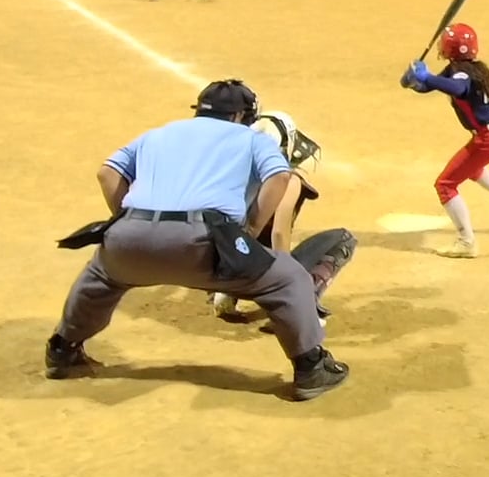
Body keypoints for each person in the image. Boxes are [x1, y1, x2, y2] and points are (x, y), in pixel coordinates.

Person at [44, 80, 349, 401]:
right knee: (288, 278)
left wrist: (131, 221)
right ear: (240, 116)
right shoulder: (251, 139)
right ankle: (311, 367)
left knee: (100, 276)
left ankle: (62, 350)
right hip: (202, 244)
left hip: (128, 240)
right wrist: (250, 228)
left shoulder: (157, 134)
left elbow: (107, 173)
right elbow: (279, 176)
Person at [211, 111, 355, 326]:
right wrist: (284, 284)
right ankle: (293, 307)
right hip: (255, 277)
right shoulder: (287, 180)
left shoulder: (226, 171)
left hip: (214, 270)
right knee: (344, 239)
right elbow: (279, 233)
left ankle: (226, 294)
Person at [400, 23, 489, 258]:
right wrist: (415, 82)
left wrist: (426, 76)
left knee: (445, 184)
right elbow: (433, 86)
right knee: (471, 168)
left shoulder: (462, 75)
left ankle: (466, 242)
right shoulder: (464, 68)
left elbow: (457, 87)